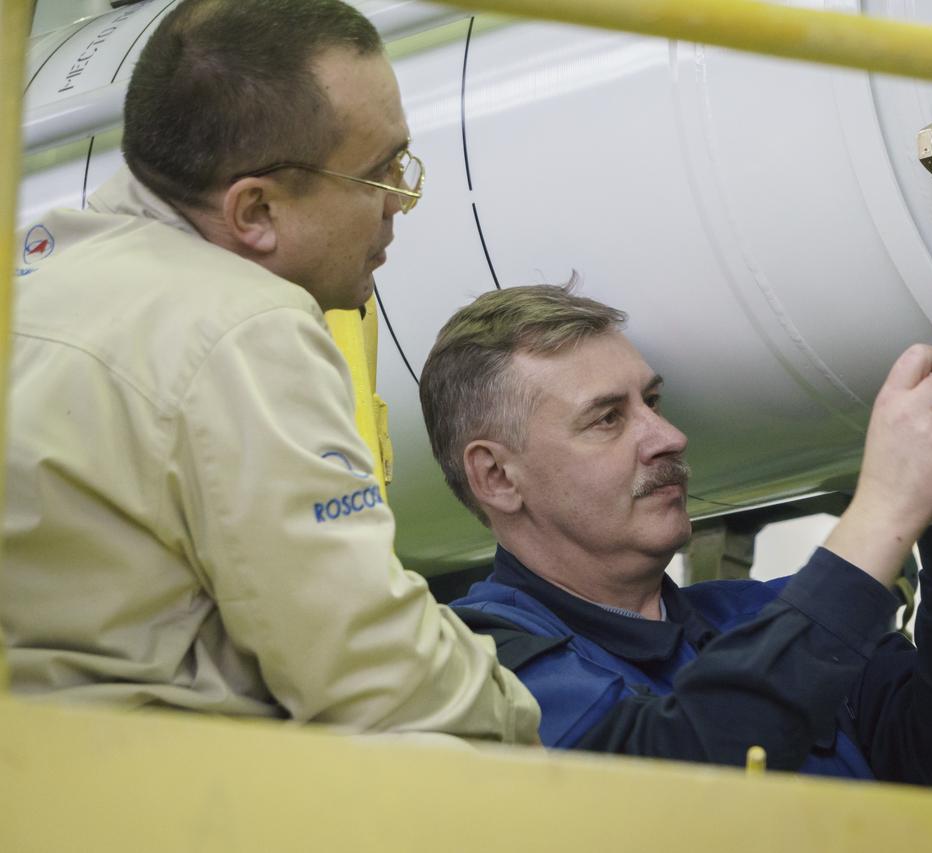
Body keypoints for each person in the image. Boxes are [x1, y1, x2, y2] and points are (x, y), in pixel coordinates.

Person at [1, 0, 539, 745]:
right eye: (380, 173)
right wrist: (522, 721)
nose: (401, 203)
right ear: (253, 210)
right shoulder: (243, 327)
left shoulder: (39, 270)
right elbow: (375, 674)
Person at [423, 284, 932, 790]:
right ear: (498, 477)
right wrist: (885, 509)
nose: (668, 437)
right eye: (608, 419)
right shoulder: (471, 670)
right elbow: (673, 783)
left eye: (654, 401)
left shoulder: (762, 619)